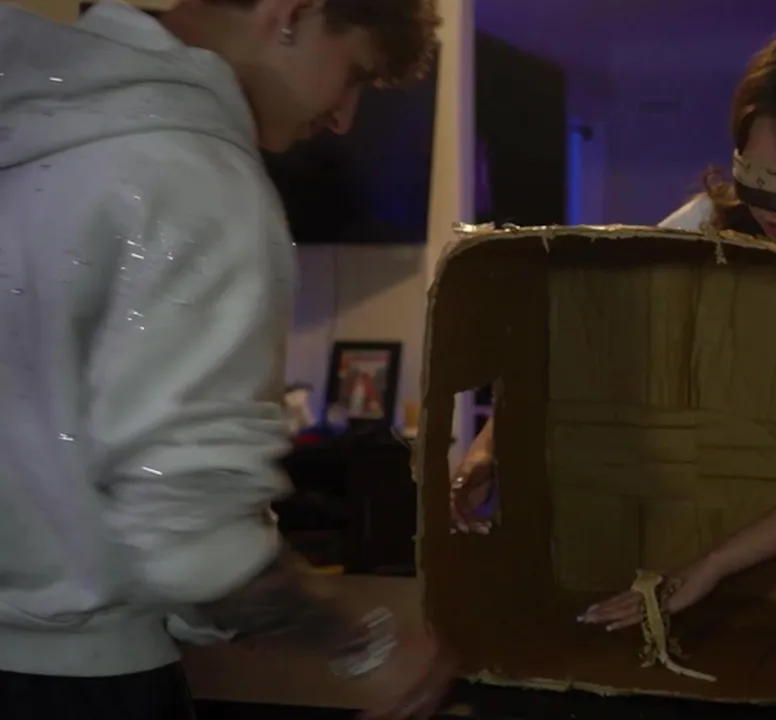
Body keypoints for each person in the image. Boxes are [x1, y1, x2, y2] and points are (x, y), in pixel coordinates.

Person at [0, 2, 453, 718]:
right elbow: (191, 535)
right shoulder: (197, 177)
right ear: (292, 13)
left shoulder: (32, 125)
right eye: (354, 75)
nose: (345, 119)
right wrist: (366, 644)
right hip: (75, 686)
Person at [450, 32, 776, 625]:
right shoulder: (706, 225)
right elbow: (589, 333)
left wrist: (715, 563)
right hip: (720, 517)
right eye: (763, 180)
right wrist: (493, 444)